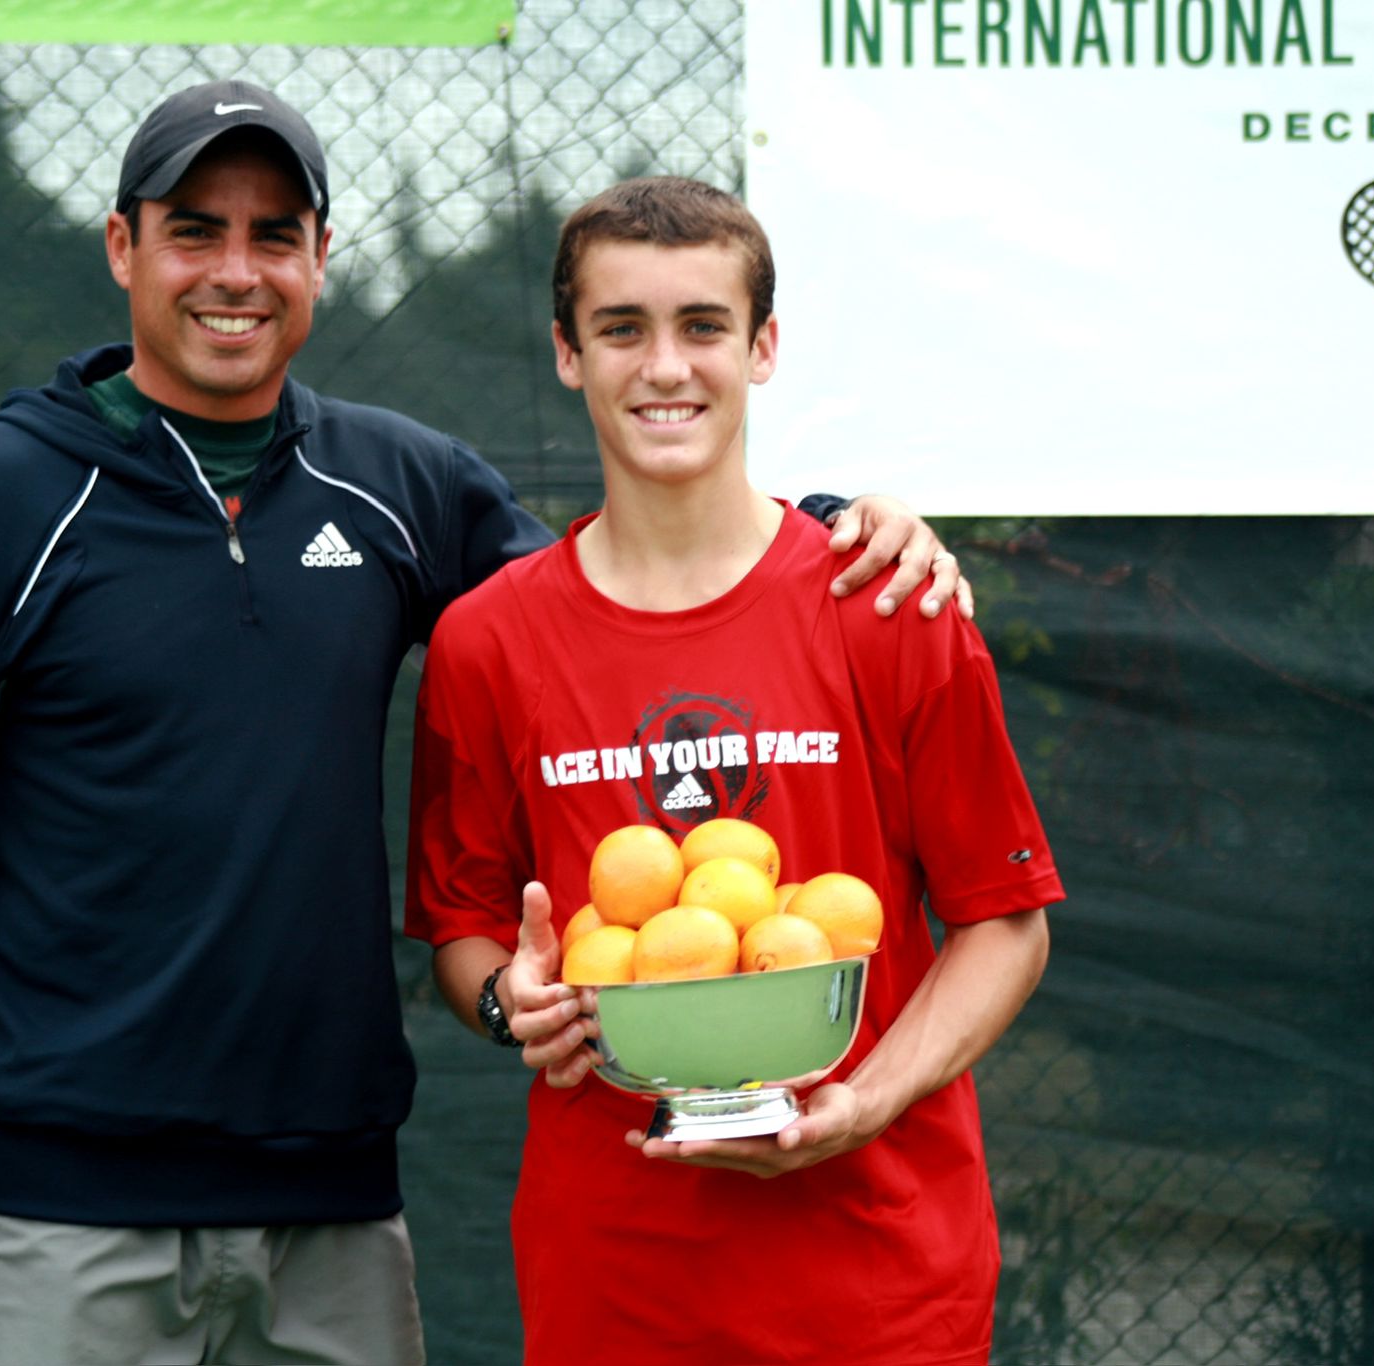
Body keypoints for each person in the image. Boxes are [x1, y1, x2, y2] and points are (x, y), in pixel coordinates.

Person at [0, 81, 967, 1366]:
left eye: (275, 233)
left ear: (320, 259)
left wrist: (826, 524)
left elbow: (628, 585)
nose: (236, 270)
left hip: (333, 1216)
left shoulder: (399, 485)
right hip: (58, 1206)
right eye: (193, 229)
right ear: (122, 247)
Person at [405, 175, 1063, 1365]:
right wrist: (516, 1003)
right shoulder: (484, 641)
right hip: (615, 1289)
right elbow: (462, 930)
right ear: (566, 354)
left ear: (761, 348)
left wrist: (863, 1099)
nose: (665, 367)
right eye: (622, 328)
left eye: (702, 325)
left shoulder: (890, 603)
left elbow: (1004, 926)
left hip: (879, 1289)